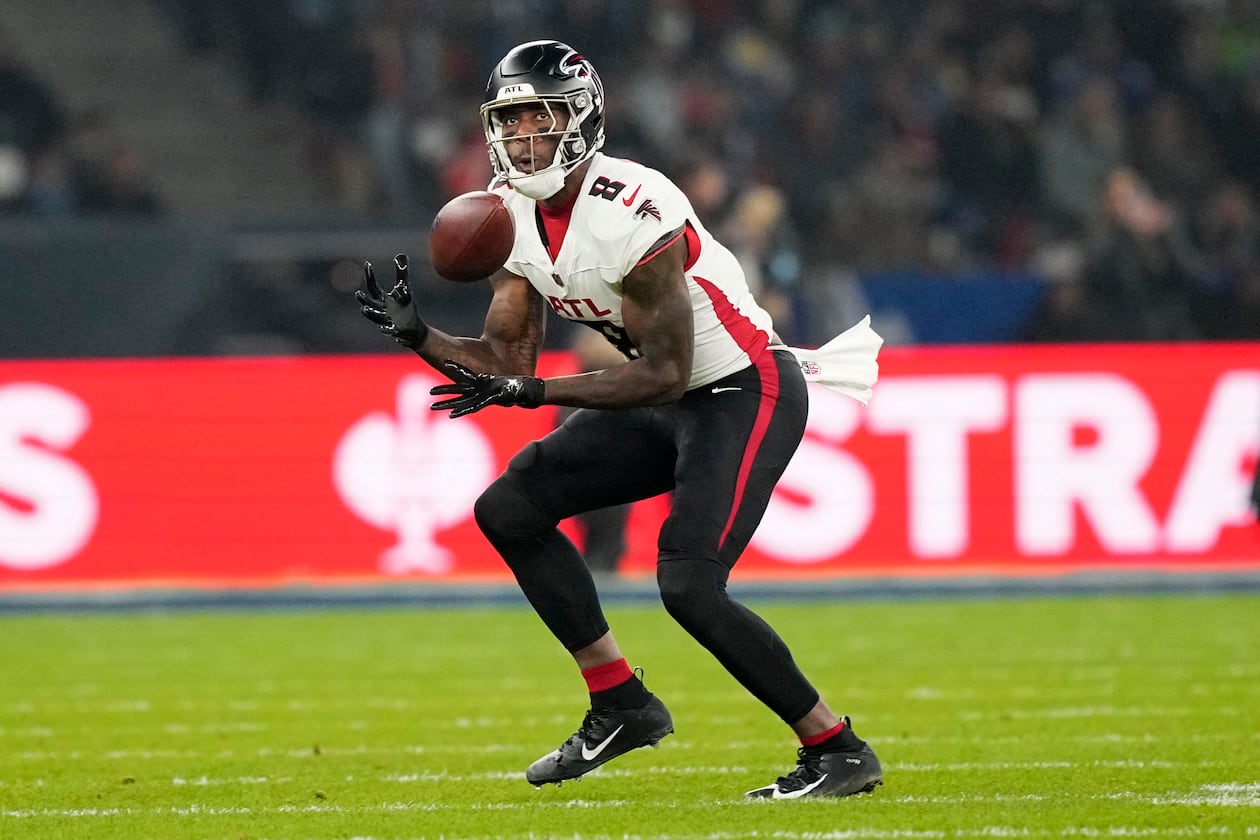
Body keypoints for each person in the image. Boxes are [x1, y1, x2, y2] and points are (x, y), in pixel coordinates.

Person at [356, 40, 883, 799]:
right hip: (663, 396)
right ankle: (620, 703)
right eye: (511, 121)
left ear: (582, 120)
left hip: (741, 387)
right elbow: (512, 360)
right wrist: (421, 337)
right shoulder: (509, 217)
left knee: (689, 585)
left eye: (541, 119)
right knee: (509, 510)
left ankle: (837, 748)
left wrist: (536, 395)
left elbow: (662, 371)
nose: (523, 138)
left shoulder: (636, 208)